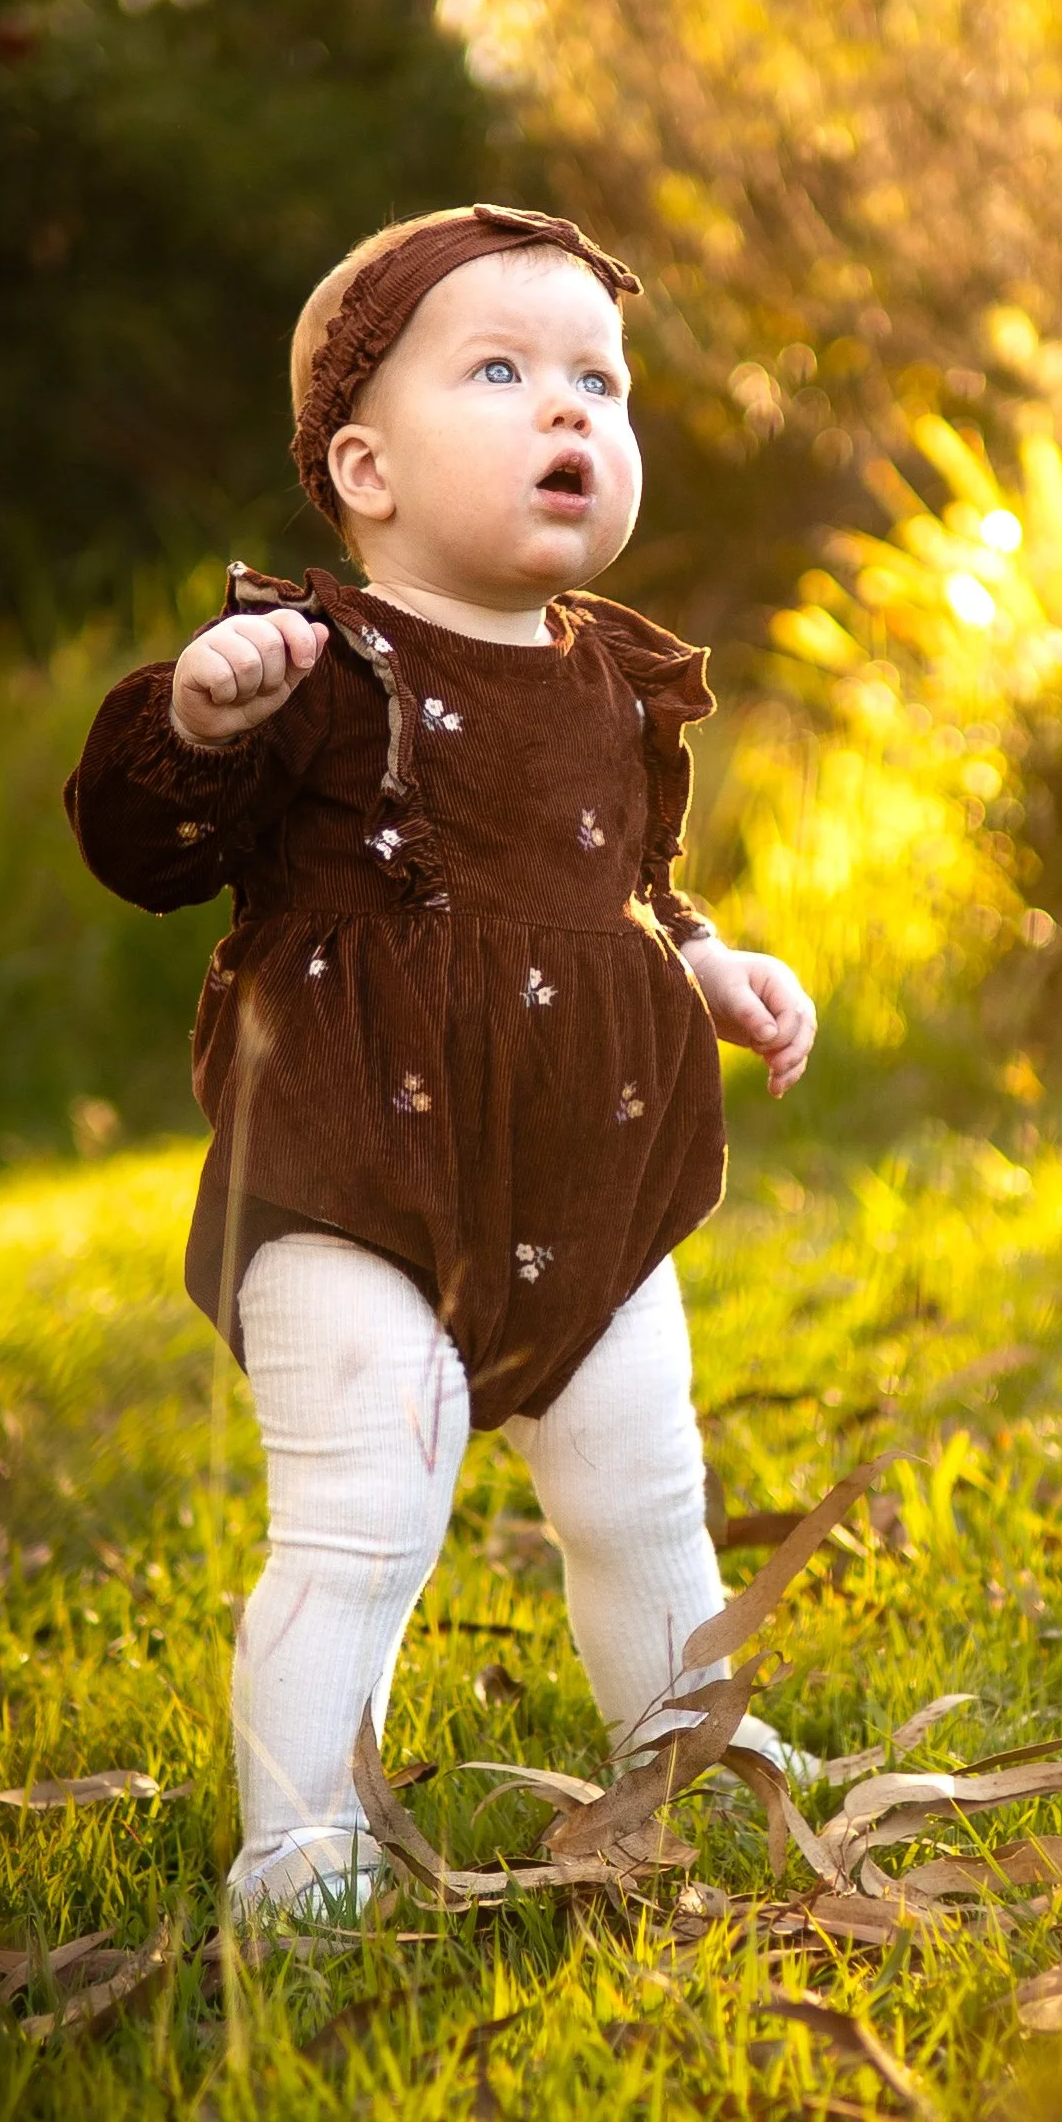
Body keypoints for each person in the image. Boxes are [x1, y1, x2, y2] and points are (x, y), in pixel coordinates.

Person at [65, 202, 817, 1912]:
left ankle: (685, 1764)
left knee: (644, 1495)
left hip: (587, 1173)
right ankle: (305, 1843)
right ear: (366, 466)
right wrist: (196, 719)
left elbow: (621, 885)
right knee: (364, 1522)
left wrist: (712, 966)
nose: (569, 411)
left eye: (599, 383)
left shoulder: (615, 679)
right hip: (356, 1175)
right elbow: (144, 850)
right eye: (502, 371)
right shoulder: (313, 664)